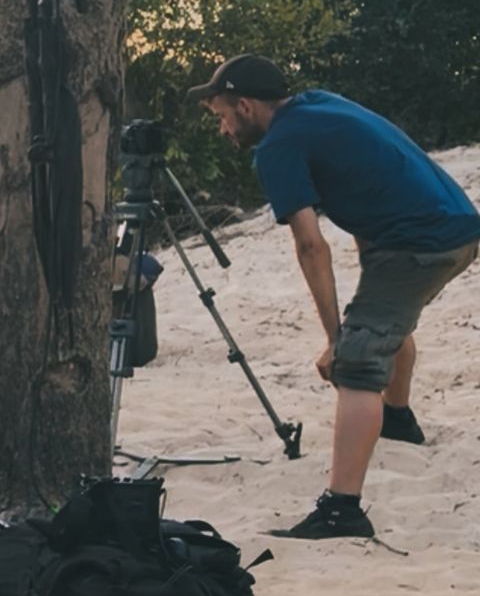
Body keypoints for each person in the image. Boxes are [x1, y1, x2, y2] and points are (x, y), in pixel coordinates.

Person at [193, 54, 479, 540]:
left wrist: (336, 339)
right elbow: (368, 179)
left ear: (244, 106)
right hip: (455, 225)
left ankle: (342, 509)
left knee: (359, 360)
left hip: (421, 242)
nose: (222, 128)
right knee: (386, 319)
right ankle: (399, 421)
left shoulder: (278, 147)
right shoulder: (318, 105)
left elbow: (310, 245)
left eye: (221, 115)